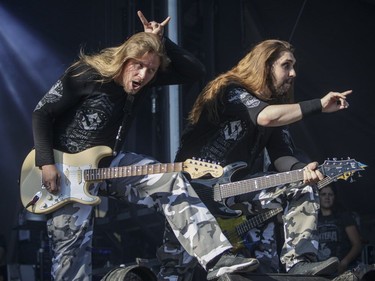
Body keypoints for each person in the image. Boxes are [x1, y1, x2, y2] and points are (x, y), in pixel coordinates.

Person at [31, 11, 259, 281]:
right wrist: (46, 163)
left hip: (109, 165)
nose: (143, 74)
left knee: (171, 178)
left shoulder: (146, 80)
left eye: (151, 69)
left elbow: (194, 71)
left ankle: (217, 258)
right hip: (64, 172)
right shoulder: (87, 73)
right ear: (124, 59)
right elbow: (42, 113)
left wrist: (163, 41)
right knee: (71, 259)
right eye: (138, 65)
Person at [157, 39, 352, 280]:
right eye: (286, 65)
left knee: (302, 184)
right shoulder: (230, 89)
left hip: (235, 192)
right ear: (265, 65)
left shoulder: (276, 109)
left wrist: (302, 170)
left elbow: (282, 157)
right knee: (175, 272)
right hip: (193, 196)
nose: (293, 73)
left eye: (294, 66)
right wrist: (319, 105)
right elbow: (265, 117)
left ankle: (300, 260)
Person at [318, 184, 363, 275]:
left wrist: (344, 262)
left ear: (335, 197)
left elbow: (357, 244)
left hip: (343, 270)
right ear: (318, 196)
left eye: (330, 194)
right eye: (323, 194)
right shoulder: (312, 219)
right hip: (320, 270)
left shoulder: (344, 216)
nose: (327, 197)